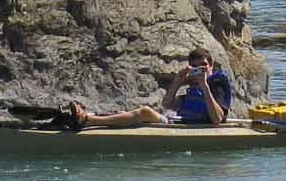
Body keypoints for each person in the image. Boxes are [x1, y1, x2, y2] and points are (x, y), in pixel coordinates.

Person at [71, 47, 233, 129]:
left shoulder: (216, 84)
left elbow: (218, 119)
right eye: (196, 67)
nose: (202, 70)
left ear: (211, 65)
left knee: (145, 112)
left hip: (197, 129)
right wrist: (178, 80)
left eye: (204, 65)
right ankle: (88, 115)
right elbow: (167, 104)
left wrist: (204, 86)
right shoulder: (193, 87)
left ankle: (88, 121)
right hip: (181, 124)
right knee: (141, 112)